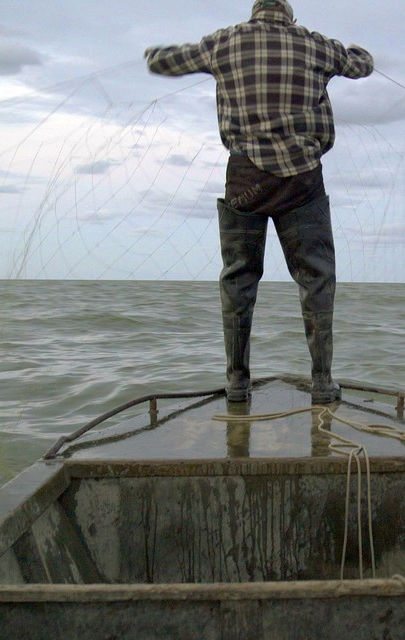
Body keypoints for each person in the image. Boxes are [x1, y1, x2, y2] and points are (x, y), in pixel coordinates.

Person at [145, 0, 374, 404]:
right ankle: (322, 382)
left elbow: (166, 62)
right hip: (302, 180)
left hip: (245, 178)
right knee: (316, 279)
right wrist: (356, 52)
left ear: (255, 12)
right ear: (289, 14)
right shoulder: (316, 45)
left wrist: (150, 54)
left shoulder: (225, 42)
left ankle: (237, 384)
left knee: (239, 278)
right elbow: (362, 64)